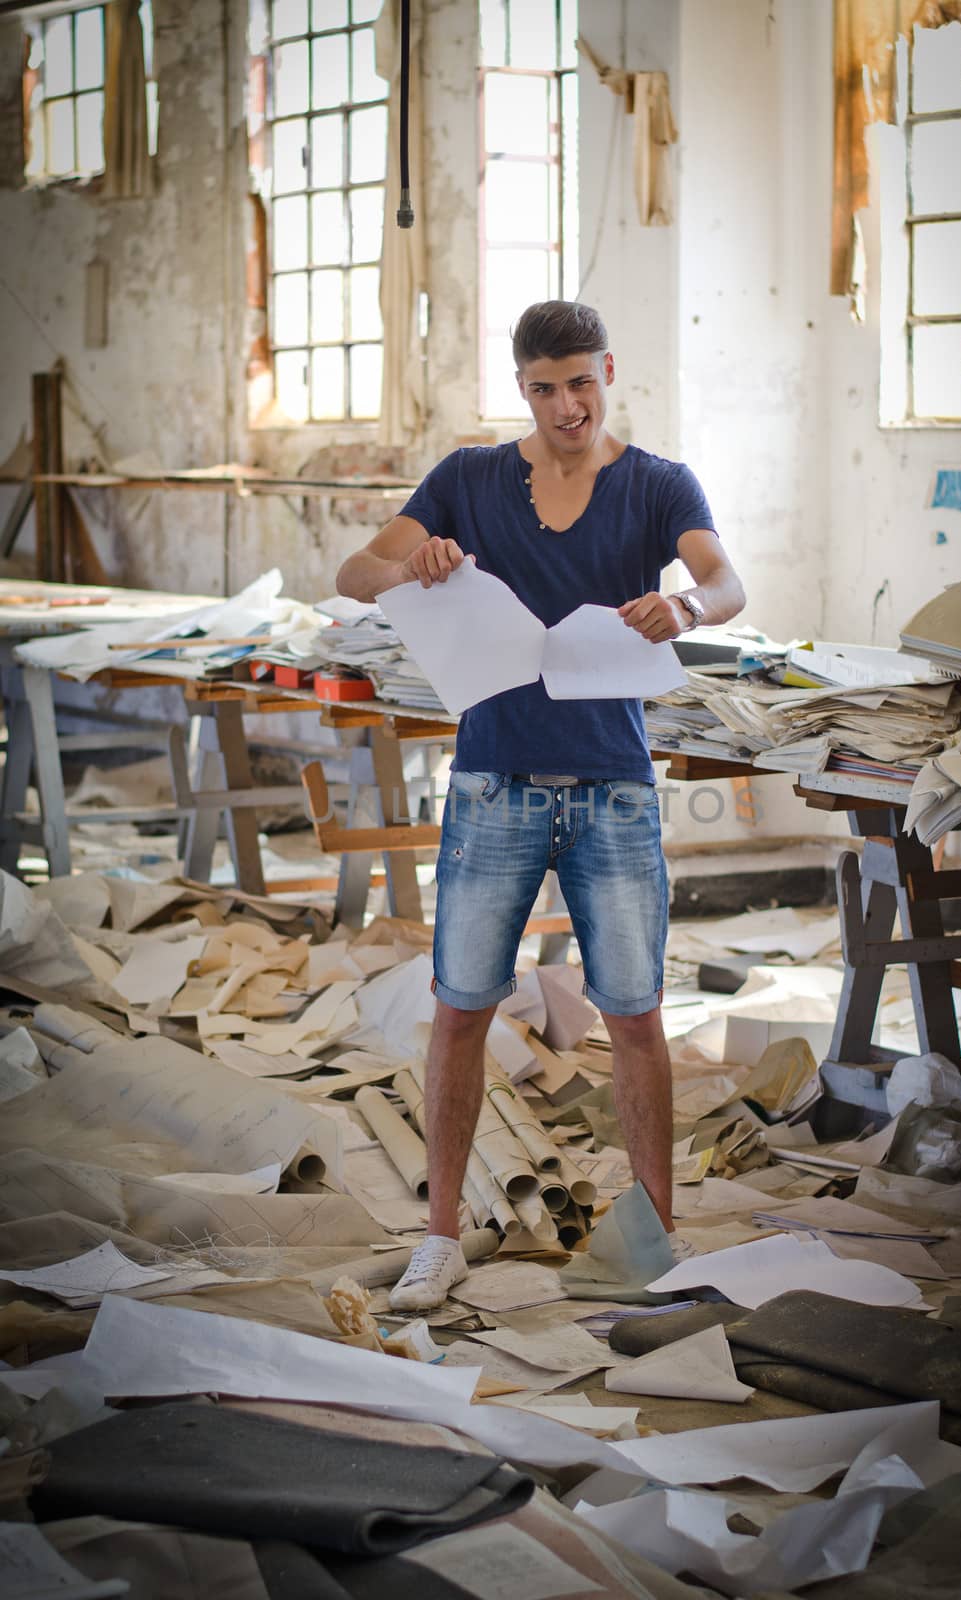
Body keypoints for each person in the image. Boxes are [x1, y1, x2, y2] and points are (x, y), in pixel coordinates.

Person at [336, 301, 746, 1309]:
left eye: (581, 383)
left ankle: (653, 1240)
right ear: (520, 387)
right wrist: (414, 562)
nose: (567, 405)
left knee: (636, 1016)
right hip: (492, 783)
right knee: (460, 1008)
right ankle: (439, 1237)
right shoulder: (470, 480)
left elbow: (726, 580)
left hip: (612, 787)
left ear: (609, 368)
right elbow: (354, 574)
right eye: (544, 388)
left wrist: (685, 605)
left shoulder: (656, 484)